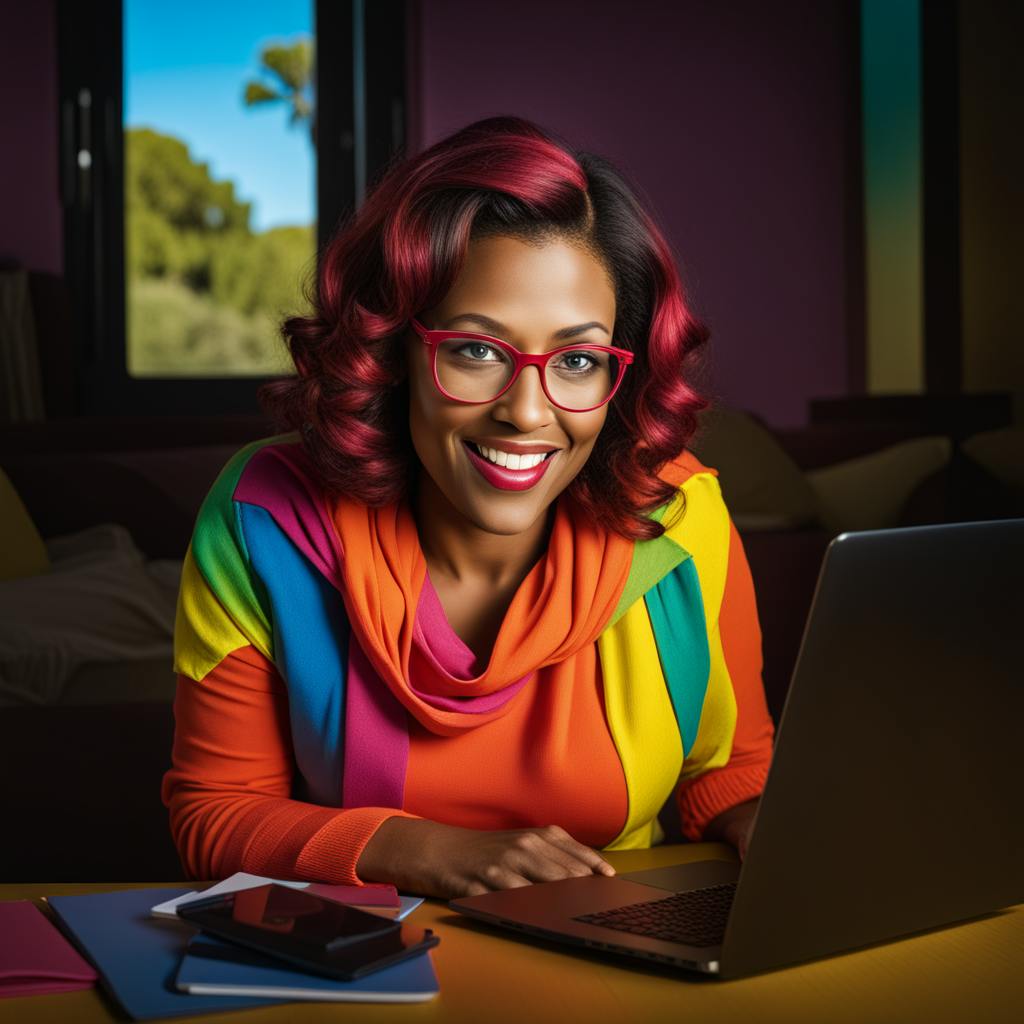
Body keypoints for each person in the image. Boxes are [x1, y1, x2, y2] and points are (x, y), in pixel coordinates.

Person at [162, 116, 774, 900]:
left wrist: (763, 823)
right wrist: (422, 851)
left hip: (620, 955)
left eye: (578, 360)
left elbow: (728, 772)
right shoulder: (265, 519)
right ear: (395, 353)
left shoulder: (680, 520)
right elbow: (213, 815)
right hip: (367, 966)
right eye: (477, 350)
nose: (526, 412)